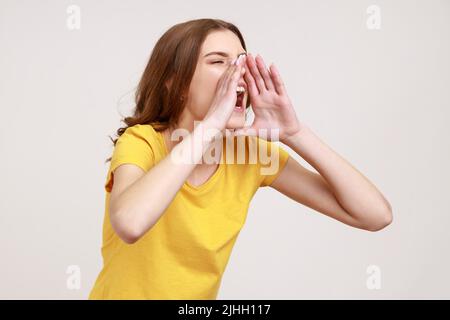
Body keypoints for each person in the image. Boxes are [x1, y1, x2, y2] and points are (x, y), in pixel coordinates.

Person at [88, 18, 393, 300]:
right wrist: (210, 126)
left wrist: (295, 133)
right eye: (218, 62)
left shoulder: (249, 155)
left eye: (241, 62)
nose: (238, 73)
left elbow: (375, 215)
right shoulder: (142, 141)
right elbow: (130, 223)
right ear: (175, 81)